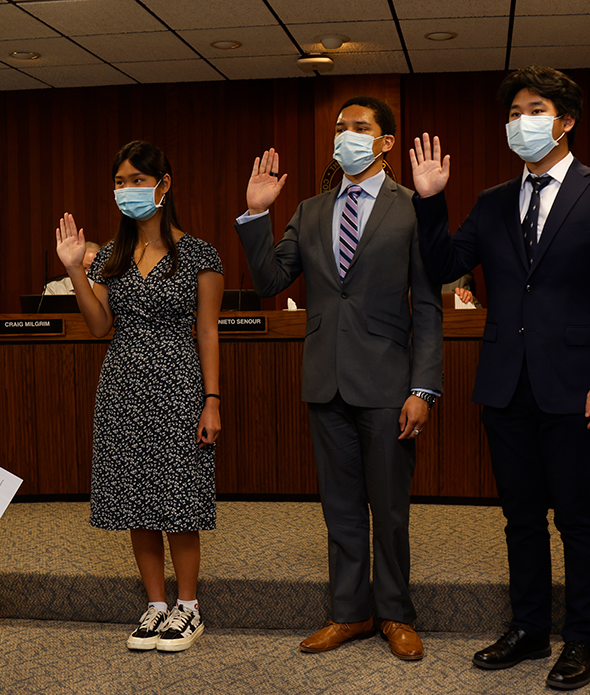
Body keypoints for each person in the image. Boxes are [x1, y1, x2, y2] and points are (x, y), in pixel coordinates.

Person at [410, 67, 590, 689]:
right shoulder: (491, 201)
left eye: (534, 110)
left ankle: (583, 639)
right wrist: (431, 199)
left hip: (577, 384)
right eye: (513, 113)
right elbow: (445, 266)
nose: (520, 123)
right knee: (519, 518)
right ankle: (530, 628)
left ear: (566, 120)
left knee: (577, 517)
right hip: (505, 384)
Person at [236, 96, 443, 661]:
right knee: (340, 507)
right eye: (339, 127)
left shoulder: (411, 208)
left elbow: (426, 306)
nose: (345, 135)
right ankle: (350, 613)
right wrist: (257, 215)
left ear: (386, 143)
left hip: (389, 383)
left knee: (389, 507)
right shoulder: (308, 210)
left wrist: (423, 388)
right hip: (325, 380)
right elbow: (268, 282)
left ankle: (396, 614)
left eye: (360, 128)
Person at [55, 140, 222, 654]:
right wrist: (75, 271)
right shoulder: (110, 255)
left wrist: (212, 400)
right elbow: (100, 325)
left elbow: (209, 331)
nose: (126, 190)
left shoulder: (199, 253)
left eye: (136, 180)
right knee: (136, 500)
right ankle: (155, 606)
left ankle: (188, 609)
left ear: (164, 185)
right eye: (120, 182)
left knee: (179, 497)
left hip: (179, 382)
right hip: (123, 382)